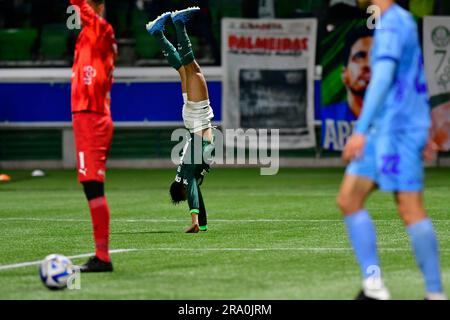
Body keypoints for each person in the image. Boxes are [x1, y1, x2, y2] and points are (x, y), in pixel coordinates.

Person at [338, 0, 446, 300]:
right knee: (349, 199)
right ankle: (374, 286)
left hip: (396, 132)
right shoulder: (392, 20)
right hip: (385, 130)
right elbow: (417, 79)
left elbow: (383, 78)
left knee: (410, 209)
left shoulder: (394, 22)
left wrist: (359, 131)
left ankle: (435, 294)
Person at [146, 7, 215, 233]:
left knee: (192, 69)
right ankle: (158, 34)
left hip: (197, 118)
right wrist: (204, 225)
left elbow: (192, 187)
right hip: (193, 120)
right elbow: (196, 188)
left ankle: (179, 24)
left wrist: (194, 220)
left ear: (182, 189)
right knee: (184, 72)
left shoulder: (187, 174)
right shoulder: (186, 172)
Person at [70, 0, 117, 272]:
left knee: (93, 185)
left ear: (96, 7)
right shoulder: (87, 35)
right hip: (84, 115)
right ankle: (102, 256)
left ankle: (103, 257)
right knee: (90, 185)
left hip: (92, 116)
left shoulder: (102, 30)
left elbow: (81, 7)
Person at [322, 26, 374, 151]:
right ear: (344, 74)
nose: (368, 65)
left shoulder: (396, 117)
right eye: (360, 56)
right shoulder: (328, 115)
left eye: (376, 57)